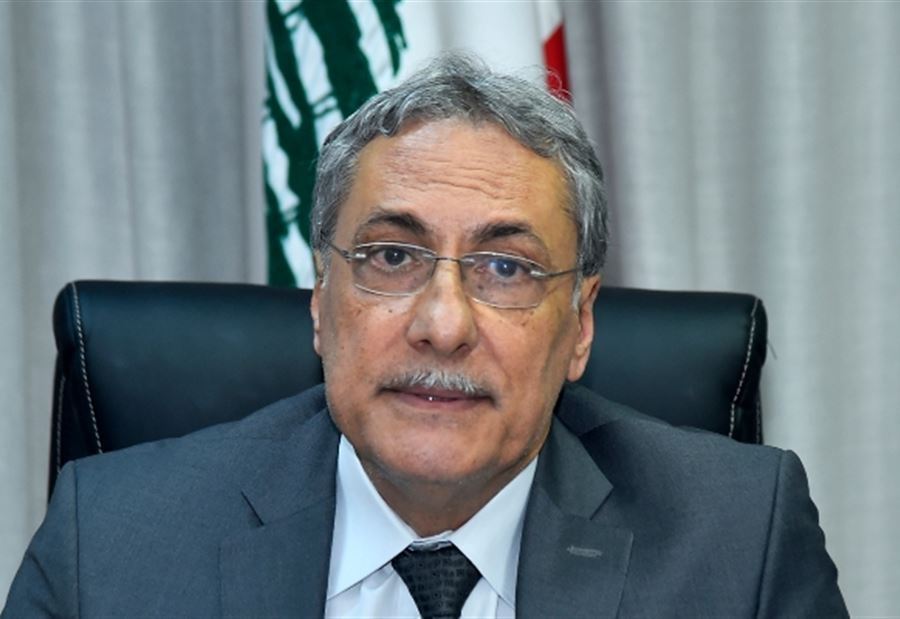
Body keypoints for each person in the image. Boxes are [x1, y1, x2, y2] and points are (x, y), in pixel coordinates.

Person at [3, 53, 847, 618]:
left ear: (580, 325)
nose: (443, 325)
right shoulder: (110, 545)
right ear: (321, 299)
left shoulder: (739, 544)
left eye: (506, 268)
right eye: (392, 256)